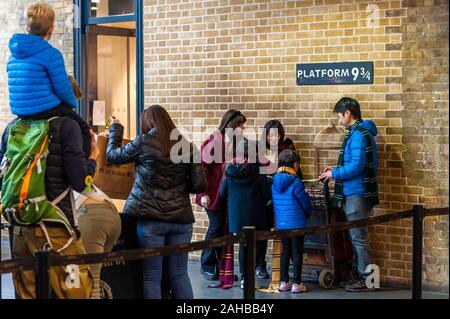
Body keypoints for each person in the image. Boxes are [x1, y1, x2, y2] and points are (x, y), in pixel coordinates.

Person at [106, 105, 206, 299]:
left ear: (148, 122)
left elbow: (112, 156)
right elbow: (199, 185)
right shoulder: (186, 145)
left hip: (152, 221)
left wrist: (116, 129)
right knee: (180, 274)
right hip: (181, 221)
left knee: (152, 276)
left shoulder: (144, 142)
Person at [319, 97, 379, 292]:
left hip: (356, 193)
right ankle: (360, 276)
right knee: (356, 237)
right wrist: (335, 169)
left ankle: (368, 280)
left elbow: (357, 166)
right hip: (353, 192)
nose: (338, 120)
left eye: (339, 115)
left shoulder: (359, 135)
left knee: (359, 238)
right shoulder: (357, 133)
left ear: (347, 113)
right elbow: (354, 163)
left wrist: (334, 173)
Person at [195, 109, 246, 281]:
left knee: (225, 230)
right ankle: (206, 264)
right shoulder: (214, 141)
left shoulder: (235, 143)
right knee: (216, 226)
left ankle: (222, 269)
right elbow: (202, 168)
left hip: (227, 194)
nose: (243, 128)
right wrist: (203, 193)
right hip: (211, 194)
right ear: (232, 125)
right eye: (240, 125)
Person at [220, 140, 272, 289]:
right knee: (257, 244)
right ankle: (257, 269)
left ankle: (244, 278)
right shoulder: (259, 172)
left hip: (237, 218)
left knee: (243, 247)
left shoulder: (229, 172)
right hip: (256, 216)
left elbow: (223, 194)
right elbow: (267, 195)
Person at [272, 149, 312, 293]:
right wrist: (307, 213)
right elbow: (305, 203)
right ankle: (297, 283)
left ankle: (284, 282)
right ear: (295, 164)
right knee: (297, 252)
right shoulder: (296, 181)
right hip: (297, 223)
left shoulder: (274, 181)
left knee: (285, 252)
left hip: (282, 223)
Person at [74, 185, 121, 299]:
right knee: (93, 276)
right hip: (113, 215)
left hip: (91, 215)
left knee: (91, 282)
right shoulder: (77, 174)